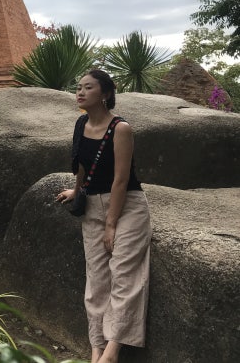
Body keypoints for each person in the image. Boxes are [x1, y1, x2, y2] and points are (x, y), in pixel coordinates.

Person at [55, 69, 151, 363]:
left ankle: (111, 353)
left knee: (124, 276)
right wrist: (76, 190)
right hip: (93, 205)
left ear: (106, 94)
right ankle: (96, 348)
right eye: (78, 87)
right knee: (96, 280)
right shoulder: (81, 123)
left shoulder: (121, 129)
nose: (80, 92)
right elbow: (82, 166)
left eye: (88, 87)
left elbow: (121, 180)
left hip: (127, 206)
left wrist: (111, 225)